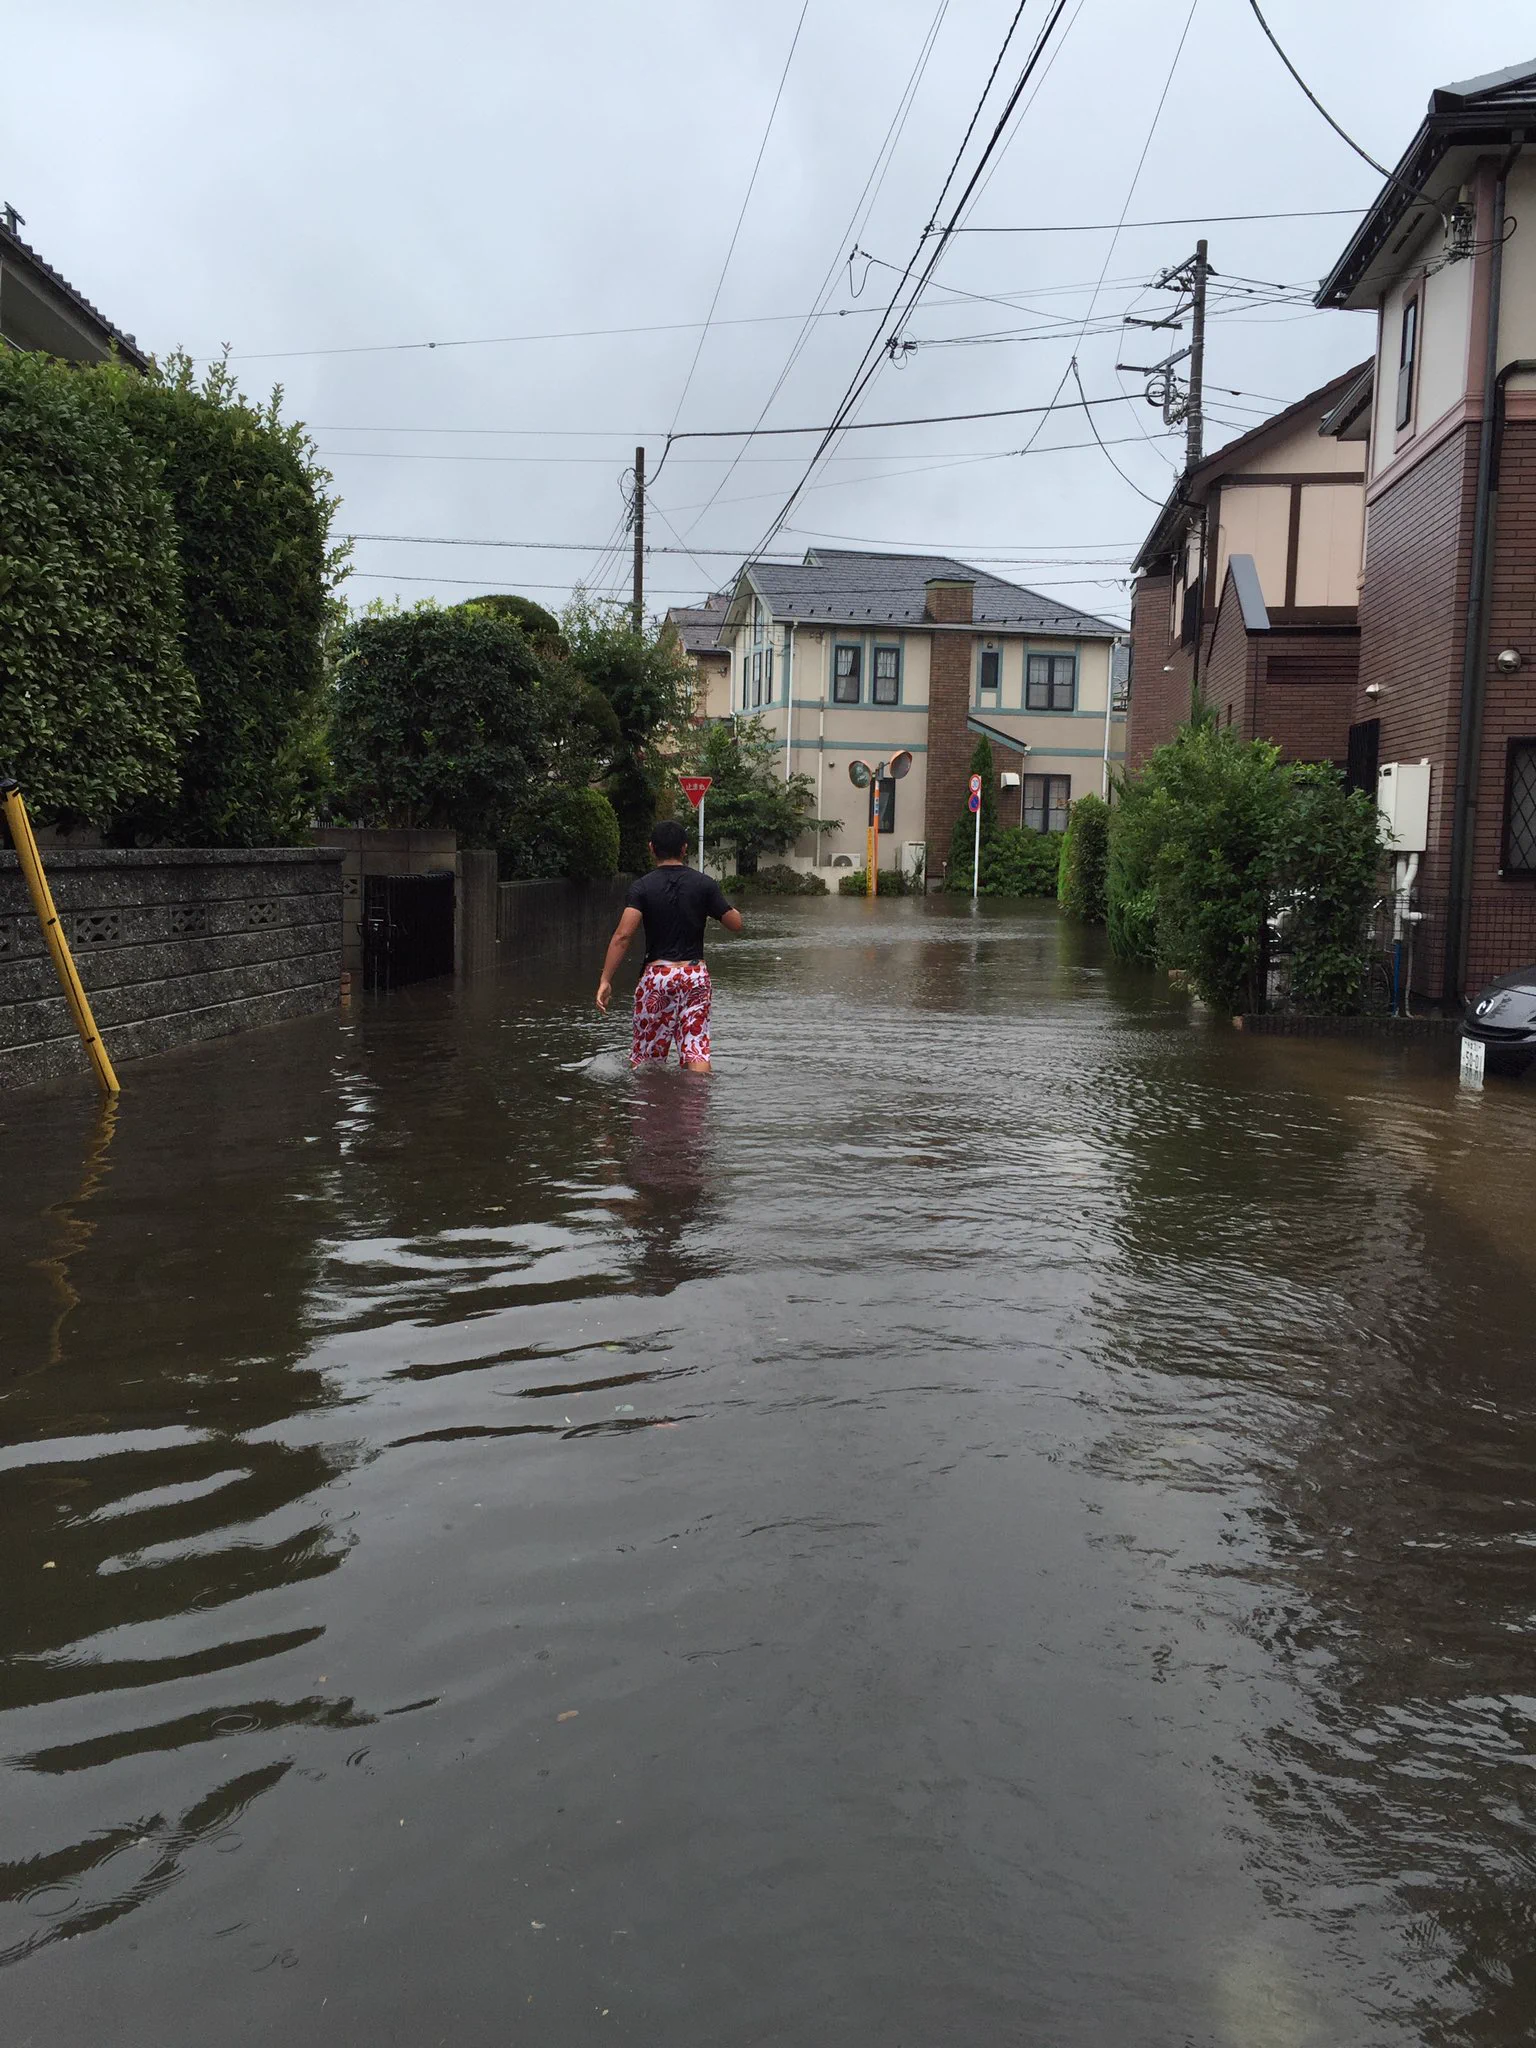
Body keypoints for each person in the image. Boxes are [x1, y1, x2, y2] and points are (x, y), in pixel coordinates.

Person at [596, 819, 742, 1072]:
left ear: (651, 848)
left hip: (658, 976)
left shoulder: (642, 887)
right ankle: (699, 1096)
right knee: (696, 1050)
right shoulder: (704, 884)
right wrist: (719, 903)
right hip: (694, 976)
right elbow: (735, 924)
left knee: (646, 1057)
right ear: (685, 848)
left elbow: (623, 936)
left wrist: (605, 979)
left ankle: (648, 1097)